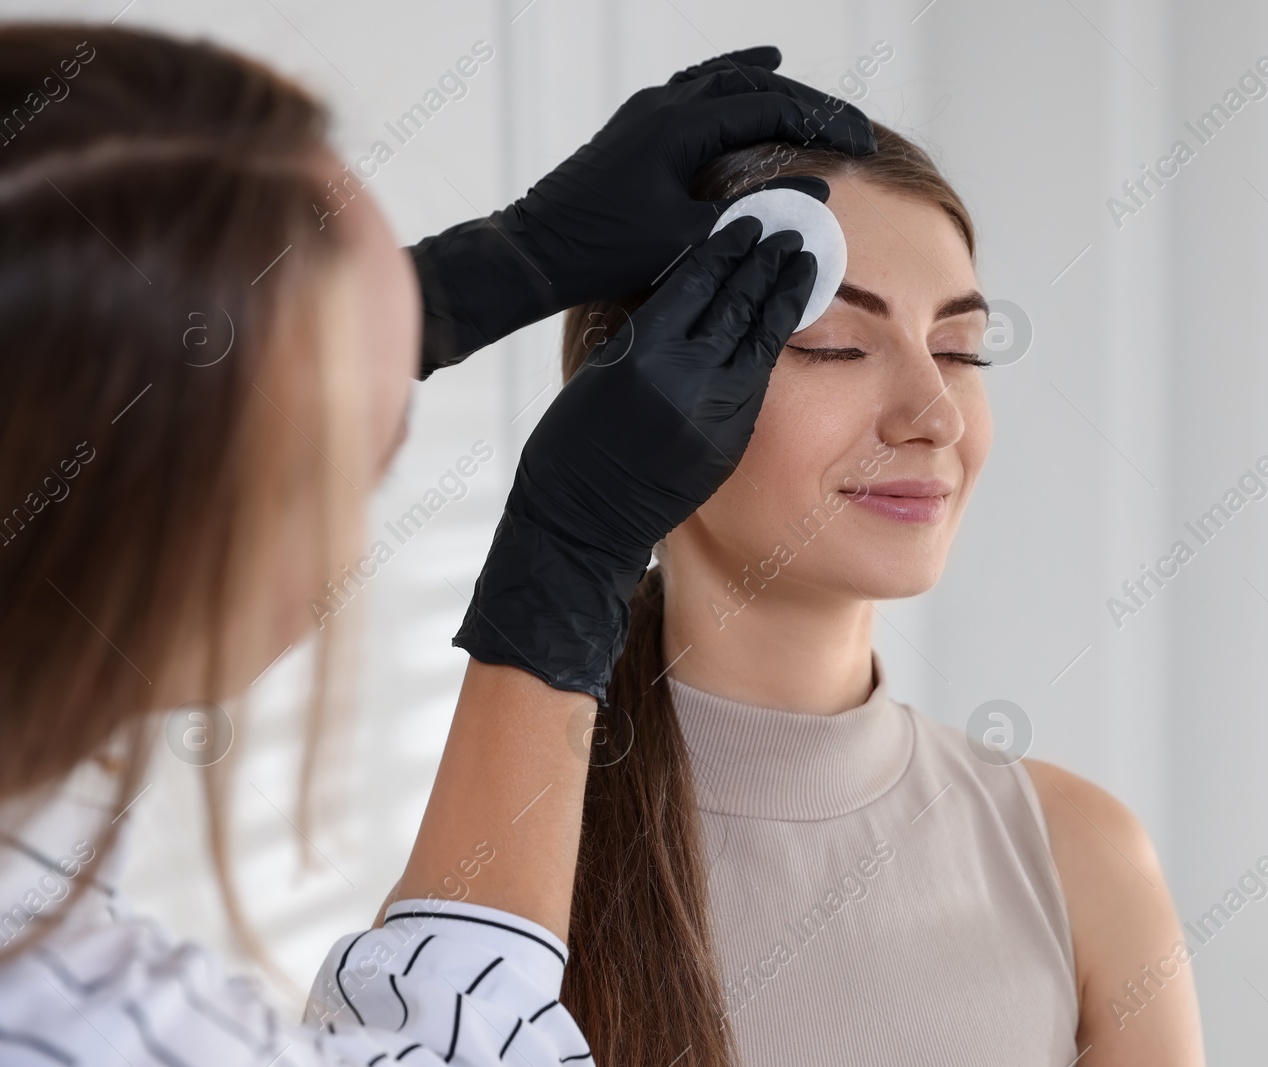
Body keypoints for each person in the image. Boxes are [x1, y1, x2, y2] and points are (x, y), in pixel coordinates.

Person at [0, 22, 872, 1065]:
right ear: (177, 521)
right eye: (352, 461)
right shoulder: (64, 1022)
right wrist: (571, 554)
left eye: (965, 348)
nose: (934, 419)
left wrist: (497, 268)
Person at [527, 127, 1210, 1065]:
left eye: (963, 351)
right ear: (644, 402)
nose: (934, 413)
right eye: (837, 346)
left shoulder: (1083, 858)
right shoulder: (513, 863)